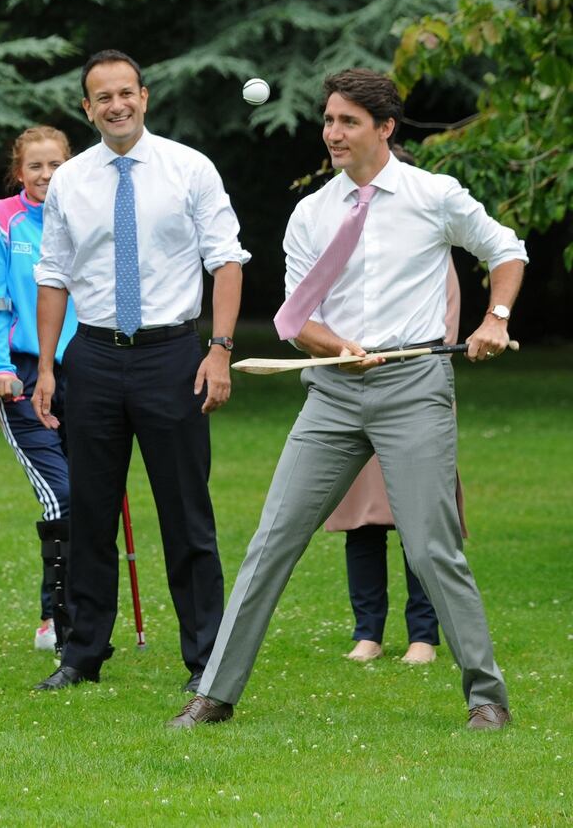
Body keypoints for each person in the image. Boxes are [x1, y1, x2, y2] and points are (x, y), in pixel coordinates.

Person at [168, 68, 527, 732]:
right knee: (272, 540)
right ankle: (213, 694)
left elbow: (505, 249)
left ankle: (487, 696)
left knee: (431, 546)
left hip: (414, 388)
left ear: (384, 128)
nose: (332, 133)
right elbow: (295, 318)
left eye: (347, 122)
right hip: (332, 391)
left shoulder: (432, 194)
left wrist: (495, 316)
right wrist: (337, 345)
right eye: (329, 120)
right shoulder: (312, 213)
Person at [31, 49, 250, 693]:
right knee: (91, 514)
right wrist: (46, 367)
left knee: (186, 512)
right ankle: (82, 654)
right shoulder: (71, 179)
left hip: (173, 357)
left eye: (126, 92)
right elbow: (53, 276)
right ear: (87, 107)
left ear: (145, 96)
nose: (117, 105)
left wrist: (220, 349)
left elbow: (227, 262)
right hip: (93, 357)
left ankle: (206, 658)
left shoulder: (190, 168)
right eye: (103, 97)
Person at [327, 261, 463, 665]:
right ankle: (367, 633)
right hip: (355, 395)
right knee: (362, 521)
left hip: (417, 398)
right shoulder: (347, 247)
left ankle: (424, 636)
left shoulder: (432, 251)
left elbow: (444, 328)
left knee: (421, 521)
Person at [0, 125, 77, 652]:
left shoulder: (84, 212)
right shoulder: (0, 219)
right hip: (19, 374)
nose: (46, 175)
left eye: (57, 165)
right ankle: (56, 621)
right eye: (36, 166)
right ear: (19, 172)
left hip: (84, 373)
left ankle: (77, 617)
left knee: (89, 494)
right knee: (62, 495)